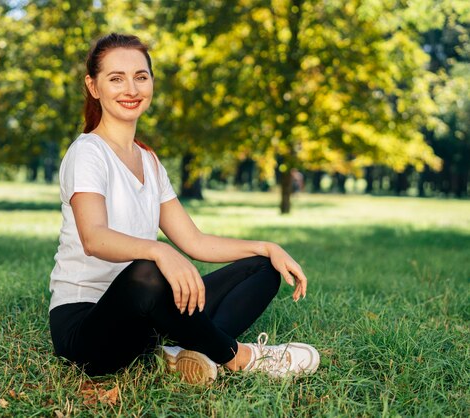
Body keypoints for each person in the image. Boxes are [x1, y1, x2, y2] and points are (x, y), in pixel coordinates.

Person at [48, 33, 319, 384]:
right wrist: (159, 251)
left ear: (151, 83)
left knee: (262, 268)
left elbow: (194, 241)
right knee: (148, 270)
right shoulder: (87, 152)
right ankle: (239, 357)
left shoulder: (149, 161)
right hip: (85, 327)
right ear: (94, 86)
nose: (130, 88)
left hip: (146, 316)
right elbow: (94, 238)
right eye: (116, 78)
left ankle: (185, 354)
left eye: (140, 77)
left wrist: (266, 247)